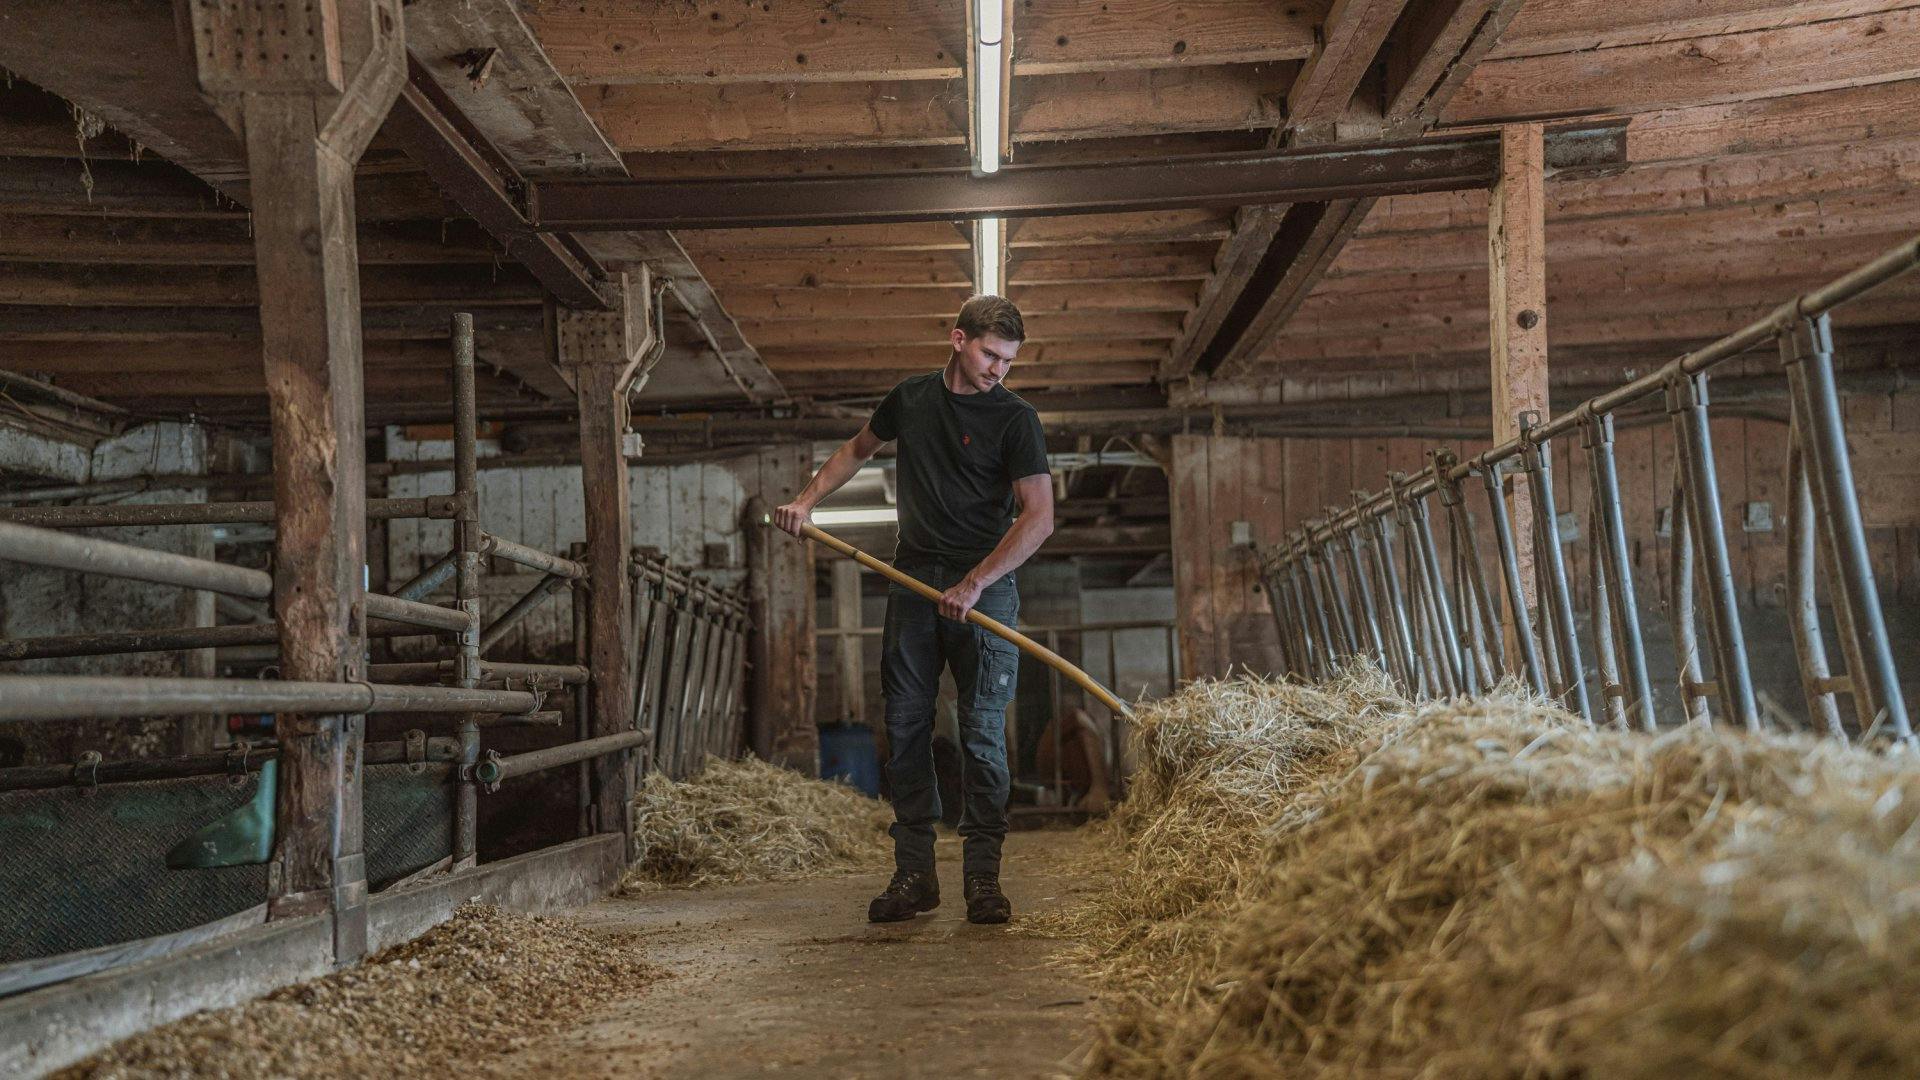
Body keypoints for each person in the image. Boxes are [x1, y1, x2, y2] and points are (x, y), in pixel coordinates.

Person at [774, 295, 1052, 925]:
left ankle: (982, 878)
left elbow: (1039, 518)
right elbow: (857, 448)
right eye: (989, 354)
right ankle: (914, 875)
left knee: (981, 732)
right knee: (904, 728)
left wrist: (977, 582)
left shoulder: (1016, 420)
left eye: (1009, 360)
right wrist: (806, 500)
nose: (998, 370)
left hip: (986, 584)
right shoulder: (912, 398)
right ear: (958, 339)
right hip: (912, 580)